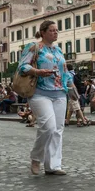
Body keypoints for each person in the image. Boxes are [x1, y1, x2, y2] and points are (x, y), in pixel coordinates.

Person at [17, 20, 72, 176]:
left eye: (56, 30)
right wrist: (37, 71)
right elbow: (22, 66)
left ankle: (53, 165)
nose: (55, 33)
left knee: (57, 130)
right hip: (40, 92)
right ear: (43, 32)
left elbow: (65, 71)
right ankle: (36, 158)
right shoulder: (34, 47)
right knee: (48, 127)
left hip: (60, 92)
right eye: (52, 30)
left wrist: (71, 85)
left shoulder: (58, 50)